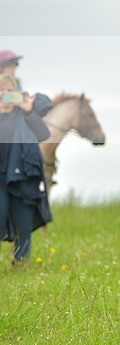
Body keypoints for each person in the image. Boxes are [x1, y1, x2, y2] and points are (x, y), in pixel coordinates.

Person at [0, 74, 53, 266]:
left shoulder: (24, 115)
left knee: (24, 224)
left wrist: (29, 109)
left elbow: (43, 134)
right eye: (1, 92)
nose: (5, 96)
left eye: (9, 92)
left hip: (22, 176)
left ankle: (21, 265)